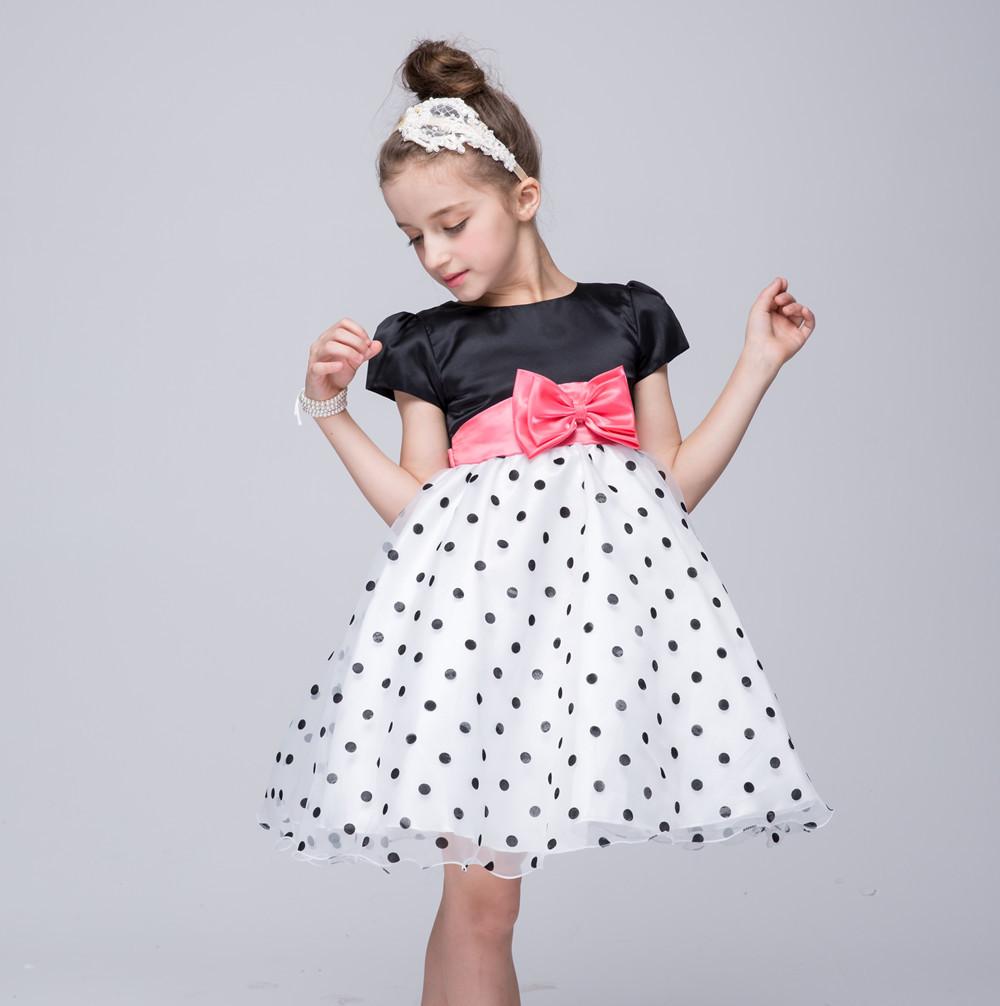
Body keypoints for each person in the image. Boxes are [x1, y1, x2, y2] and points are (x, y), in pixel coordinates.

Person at [257, 37, 834, 1006]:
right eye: (413, 237)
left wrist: (758, 363)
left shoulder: (625, 317)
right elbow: (415, 508)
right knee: (482, 904)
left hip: (580, 644)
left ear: (523, 196)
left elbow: (670, 489)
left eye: (452, 224)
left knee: (477, 904)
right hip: (474, 643)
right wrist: (329, 409)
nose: (436, 255)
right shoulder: (427, 342)